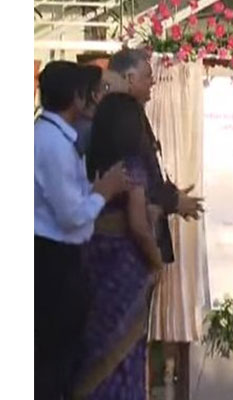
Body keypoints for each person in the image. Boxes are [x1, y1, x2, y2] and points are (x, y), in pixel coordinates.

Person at [34, 61, 129, 399]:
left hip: (60, 258)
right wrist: (105, 191)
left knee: (62, 355)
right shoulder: (53, 144)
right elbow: (72, 216)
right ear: (76, 96)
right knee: (53, 360)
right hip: (53, 260)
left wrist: (95, 190)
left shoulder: (55, 137)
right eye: (91, 92)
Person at [73, 93, 165, 399]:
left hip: (91, 257)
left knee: (94, 345)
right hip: (124, 266)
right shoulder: (131, 166)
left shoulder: (89, 160)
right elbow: (137, 225)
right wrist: (156, 261)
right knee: (122, 347)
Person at [108, 48, 203, 265]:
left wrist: (172, 195)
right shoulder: (121, 121)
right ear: (129, 78)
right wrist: (173, 201)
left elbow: (150, 169)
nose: (153, 82)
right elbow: (134, 179)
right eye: (147, 76)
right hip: (129, 245)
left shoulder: (136, 115)